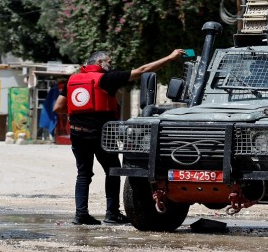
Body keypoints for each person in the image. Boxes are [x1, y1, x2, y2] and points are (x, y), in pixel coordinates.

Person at [54, 48, 186, 225]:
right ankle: (112, 214)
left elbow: (58, 107)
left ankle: (81, 215)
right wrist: (170, 57)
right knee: (112, 171)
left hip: (78, 134)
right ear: (100, 63)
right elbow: (142, 70)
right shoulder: (106, 79)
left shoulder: (72, 80)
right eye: (109, 61)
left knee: (83, 174)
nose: (111, 64)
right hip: (101, 135)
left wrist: (80, 113)